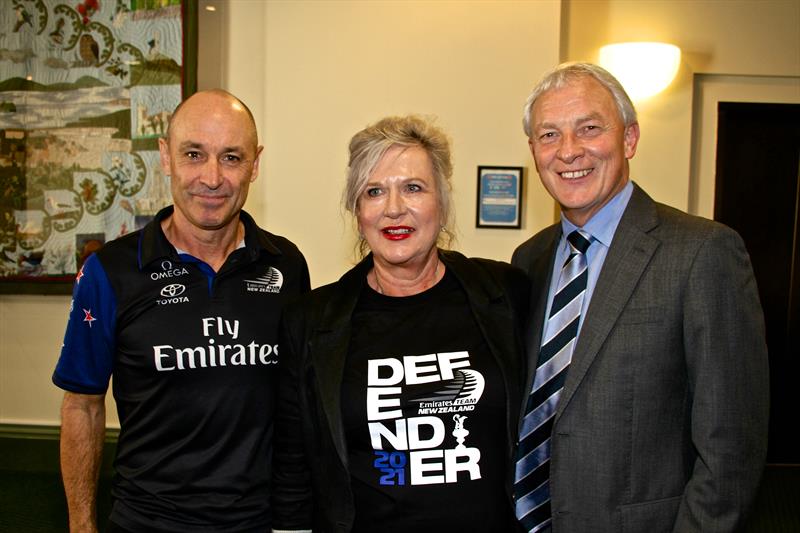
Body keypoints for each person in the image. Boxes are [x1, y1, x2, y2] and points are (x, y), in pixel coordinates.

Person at [511, 62, 769, 532]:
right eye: (549, 135)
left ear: (629, 139)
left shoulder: (703, 252)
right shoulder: (528, 259)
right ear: (534, 150)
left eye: (589, 128)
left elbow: (732, 447)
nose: (568, 151)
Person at [53, 89, 310, 533]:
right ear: (165, 157)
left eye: (231, 157)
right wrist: (81, 526)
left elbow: (300, 403)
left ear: (255, 163)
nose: (212, 178)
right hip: (147, 522)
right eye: (194, 154)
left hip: (261, 522)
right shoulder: (110, 271)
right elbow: (83, 405)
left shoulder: (286, 265)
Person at [271, 115, 529, 532]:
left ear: (442, 203)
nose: (394, 208)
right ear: (358, 213)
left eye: (413, 187)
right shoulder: (311, 322)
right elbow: (292, 466)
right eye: (374, 192)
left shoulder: (506, 293)